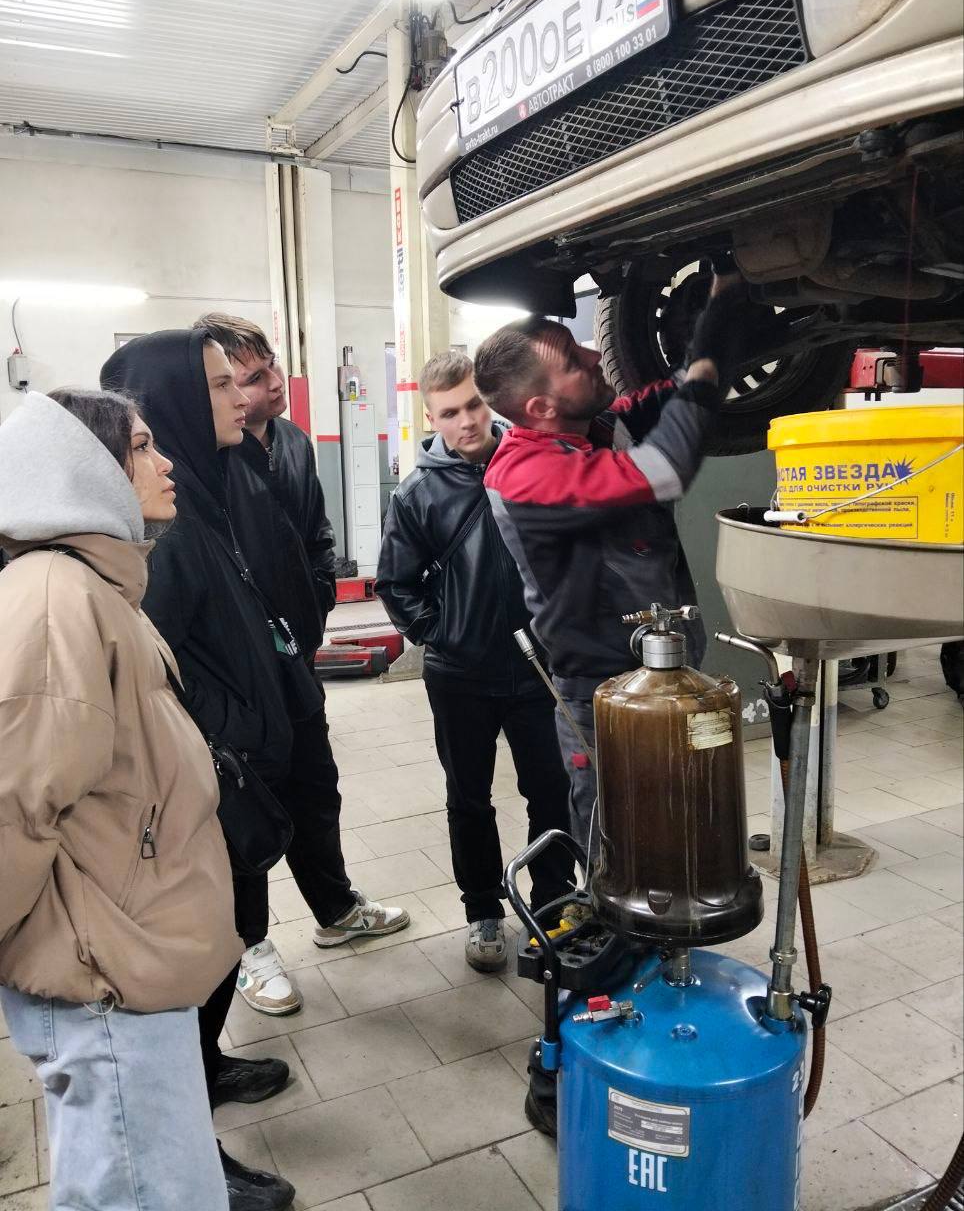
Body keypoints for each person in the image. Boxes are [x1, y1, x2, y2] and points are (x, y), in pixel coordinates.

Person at [474, 277, 752, 1135]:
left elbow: (663, 401)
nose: (596, 356)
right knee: (615, 873)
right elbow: (664, 469)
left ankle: (651, 1020)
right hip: (602, 701)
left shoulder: (587, 430)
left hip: (660, 685)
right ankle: (560, 1067)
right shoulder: (525, 469)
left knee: (673, 850)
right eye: (573, 358)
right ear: (538, 404)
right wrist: (710, 349)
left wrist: (716, 337)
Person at [0, 388, 239, 1211]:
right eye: (141, 446)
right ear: (86, 468)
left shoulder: (93, 588)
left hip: (123, 951)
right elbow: (13, 806)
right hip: (103, 973)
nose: (165, 462)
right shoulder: (54, 601)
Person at [101, 331, 297, 1211]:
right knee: (199, 955)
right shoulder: (165, 534)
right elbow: (160, 670)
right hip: (209, 789)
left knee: (231, 937)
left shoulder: (209, 491)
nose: (241, 397)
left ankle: (207, 1069)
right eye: (219, 385)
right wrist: (233, 734)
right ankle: (192, 1157)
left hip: (236, 775)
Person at [196, 312, 409, 1014]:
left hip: (297, 656)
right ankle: (250, 945)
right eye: (248, 378)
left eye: (271, 370)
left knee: (316, 786)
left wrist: (316, 603)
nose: (271, 386)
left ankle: (336, 908)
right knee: (248, 805)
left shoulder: (290, 441)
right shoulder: (207, 458)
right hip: (240, 672)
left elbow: (316, 532)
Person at [376, 352, 575, 972]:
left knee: (551, 790)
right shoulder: (418, 493)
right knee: (469, 797)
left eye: (474, 405)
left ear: (490, 399)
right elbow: (395, 583)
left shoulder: (537, 463)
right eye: (449, 413)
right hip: (460, 676)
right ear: (431, 418)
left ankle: (554, 904)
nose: (466, 421)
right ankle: (483, 910)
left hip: (539, 670)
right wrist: (446, 634)